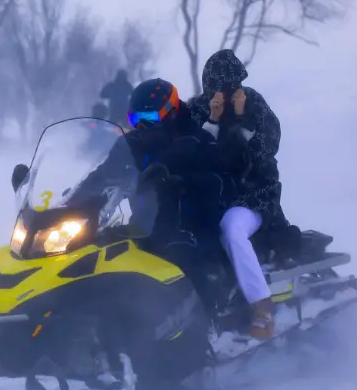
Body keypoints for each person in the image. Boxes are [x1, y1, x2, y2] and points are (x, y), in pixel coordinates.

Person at [72, 78, 239, 314]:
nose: (141, 126)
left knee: (184, 257)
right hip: (146, 226)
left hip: (192, 224)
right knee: (96, 253)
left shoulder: (197, 141)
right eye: (135, 119)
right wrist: (72, 200)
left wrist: (181, 182)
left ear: (170, 113)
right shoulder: (130, 144)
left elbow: (223, 183)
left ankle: (210, 321)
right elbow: (102, 175)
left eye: (149, 119)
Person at [184, 49, 294, 340]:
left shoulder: (255, 104)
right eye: (217, 86)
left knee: (232, 230)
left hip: (252, 194)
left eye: (231, 85)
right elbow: (190, 152)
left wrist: (243, 120)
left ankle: (261, 307)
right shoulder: (198, 109)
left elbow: (264, 153)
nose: (224, 92)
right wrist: (214, 120)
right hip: (208, 197)